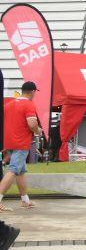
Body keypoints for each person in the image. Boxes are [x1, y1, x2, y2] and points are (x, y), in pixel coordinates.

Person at [0, 81, 43, 211]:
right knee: (13, 170)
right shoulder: (29, 105)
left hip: (9, 142)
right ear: (33, 92)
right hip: (21, 142)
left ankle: (25, 200)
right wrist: (38, 131)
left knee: (21, 171)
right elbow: (31, 124)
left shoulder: (9, 104)